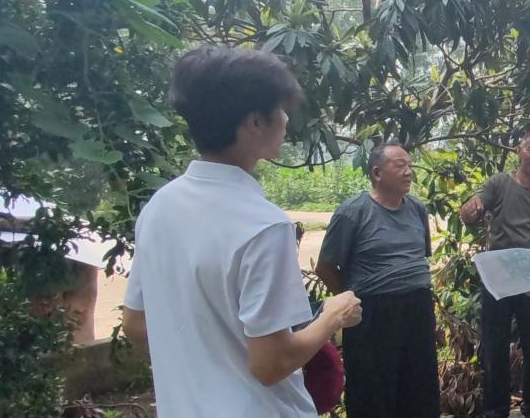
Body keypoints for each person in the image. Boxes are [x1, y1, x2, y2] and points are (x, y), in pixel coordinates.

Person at [121, 47, 363, 417]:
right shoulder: (263, 225)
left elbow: (135, 324)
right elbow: (271, 364)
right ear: (254, 122)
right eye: (280, 109)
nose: (286, 119)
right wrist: (332, 315)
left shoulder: (160, 207)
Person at [315, 143, 438, 417]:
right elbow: (325, 267)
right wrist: (352, 301)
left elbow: (419, 257)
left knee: (420, 384)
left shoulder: (417, 209)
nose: (409, 172)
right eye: (400, 165)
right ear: (377, 173)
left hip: (417, 310)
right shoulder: (352, 212)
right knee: (372, 390)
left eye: (410, 165)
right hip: (372, 314)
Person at [460, 132, 530, 418]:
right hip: (499, 274)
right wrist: (471, 210)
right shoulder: (499, 182)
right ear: (518, 151)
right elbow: (471, 210)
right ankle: (495, 409)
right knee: (494, 346)